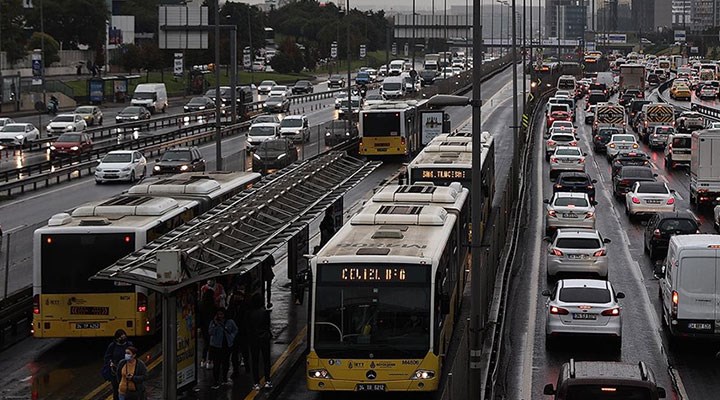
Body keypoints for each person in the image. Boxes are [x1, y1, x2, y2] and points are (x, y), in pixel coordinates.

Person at [247, 294, 272, 391]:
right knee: (266, 360)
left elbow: (248, 327)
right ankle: (267, 380)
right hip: (264, 338)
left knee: (255, 361)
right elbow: (267, 325)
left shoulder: (249, 313)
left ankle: (256, 382)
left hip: (254, 339)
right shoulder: (265, 313)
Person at [208, 308, 238, 389]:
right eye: (218, 314)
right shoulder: (213, 322)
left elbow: (235, 330)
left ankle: (224, 378)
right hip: (216, 346)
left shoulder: (230, 322)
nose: (220, 316)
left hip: (226, 345)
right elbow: (210, 332)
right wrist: (215, 324)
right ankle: (216, 381)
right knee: (216, 364)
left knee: (226, 363)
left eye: (222, 314)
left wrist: (232, 337)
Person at [104, 329, 133, 400]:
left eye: (123, 337)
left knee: (127, 389)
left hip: (127, 370)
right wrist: (110, 363)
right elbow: (107, 357)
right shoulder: (112, 346)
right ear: (117, 338)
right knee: (116, 389)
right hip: (115, 371)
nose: (122, 339)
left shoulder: (129, 344)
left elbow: (133, 355)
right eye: (120, 337)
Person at [227, 285, 250, 376]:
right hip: (234, 333)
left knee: (244, 351)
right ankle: (236, 370)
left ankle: (247, 366)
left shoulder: (245, 306)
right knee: (235, 353)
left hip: (243, 332)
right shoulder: (232, 307)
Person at [198, 288, 216, 369]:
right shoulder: (213, 306)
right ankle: (210, 360)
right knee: (211, 344)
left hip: (203, 327)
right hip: (212, 327)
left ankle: (203, 360)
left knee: (205, 343)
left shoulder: (201, 305)